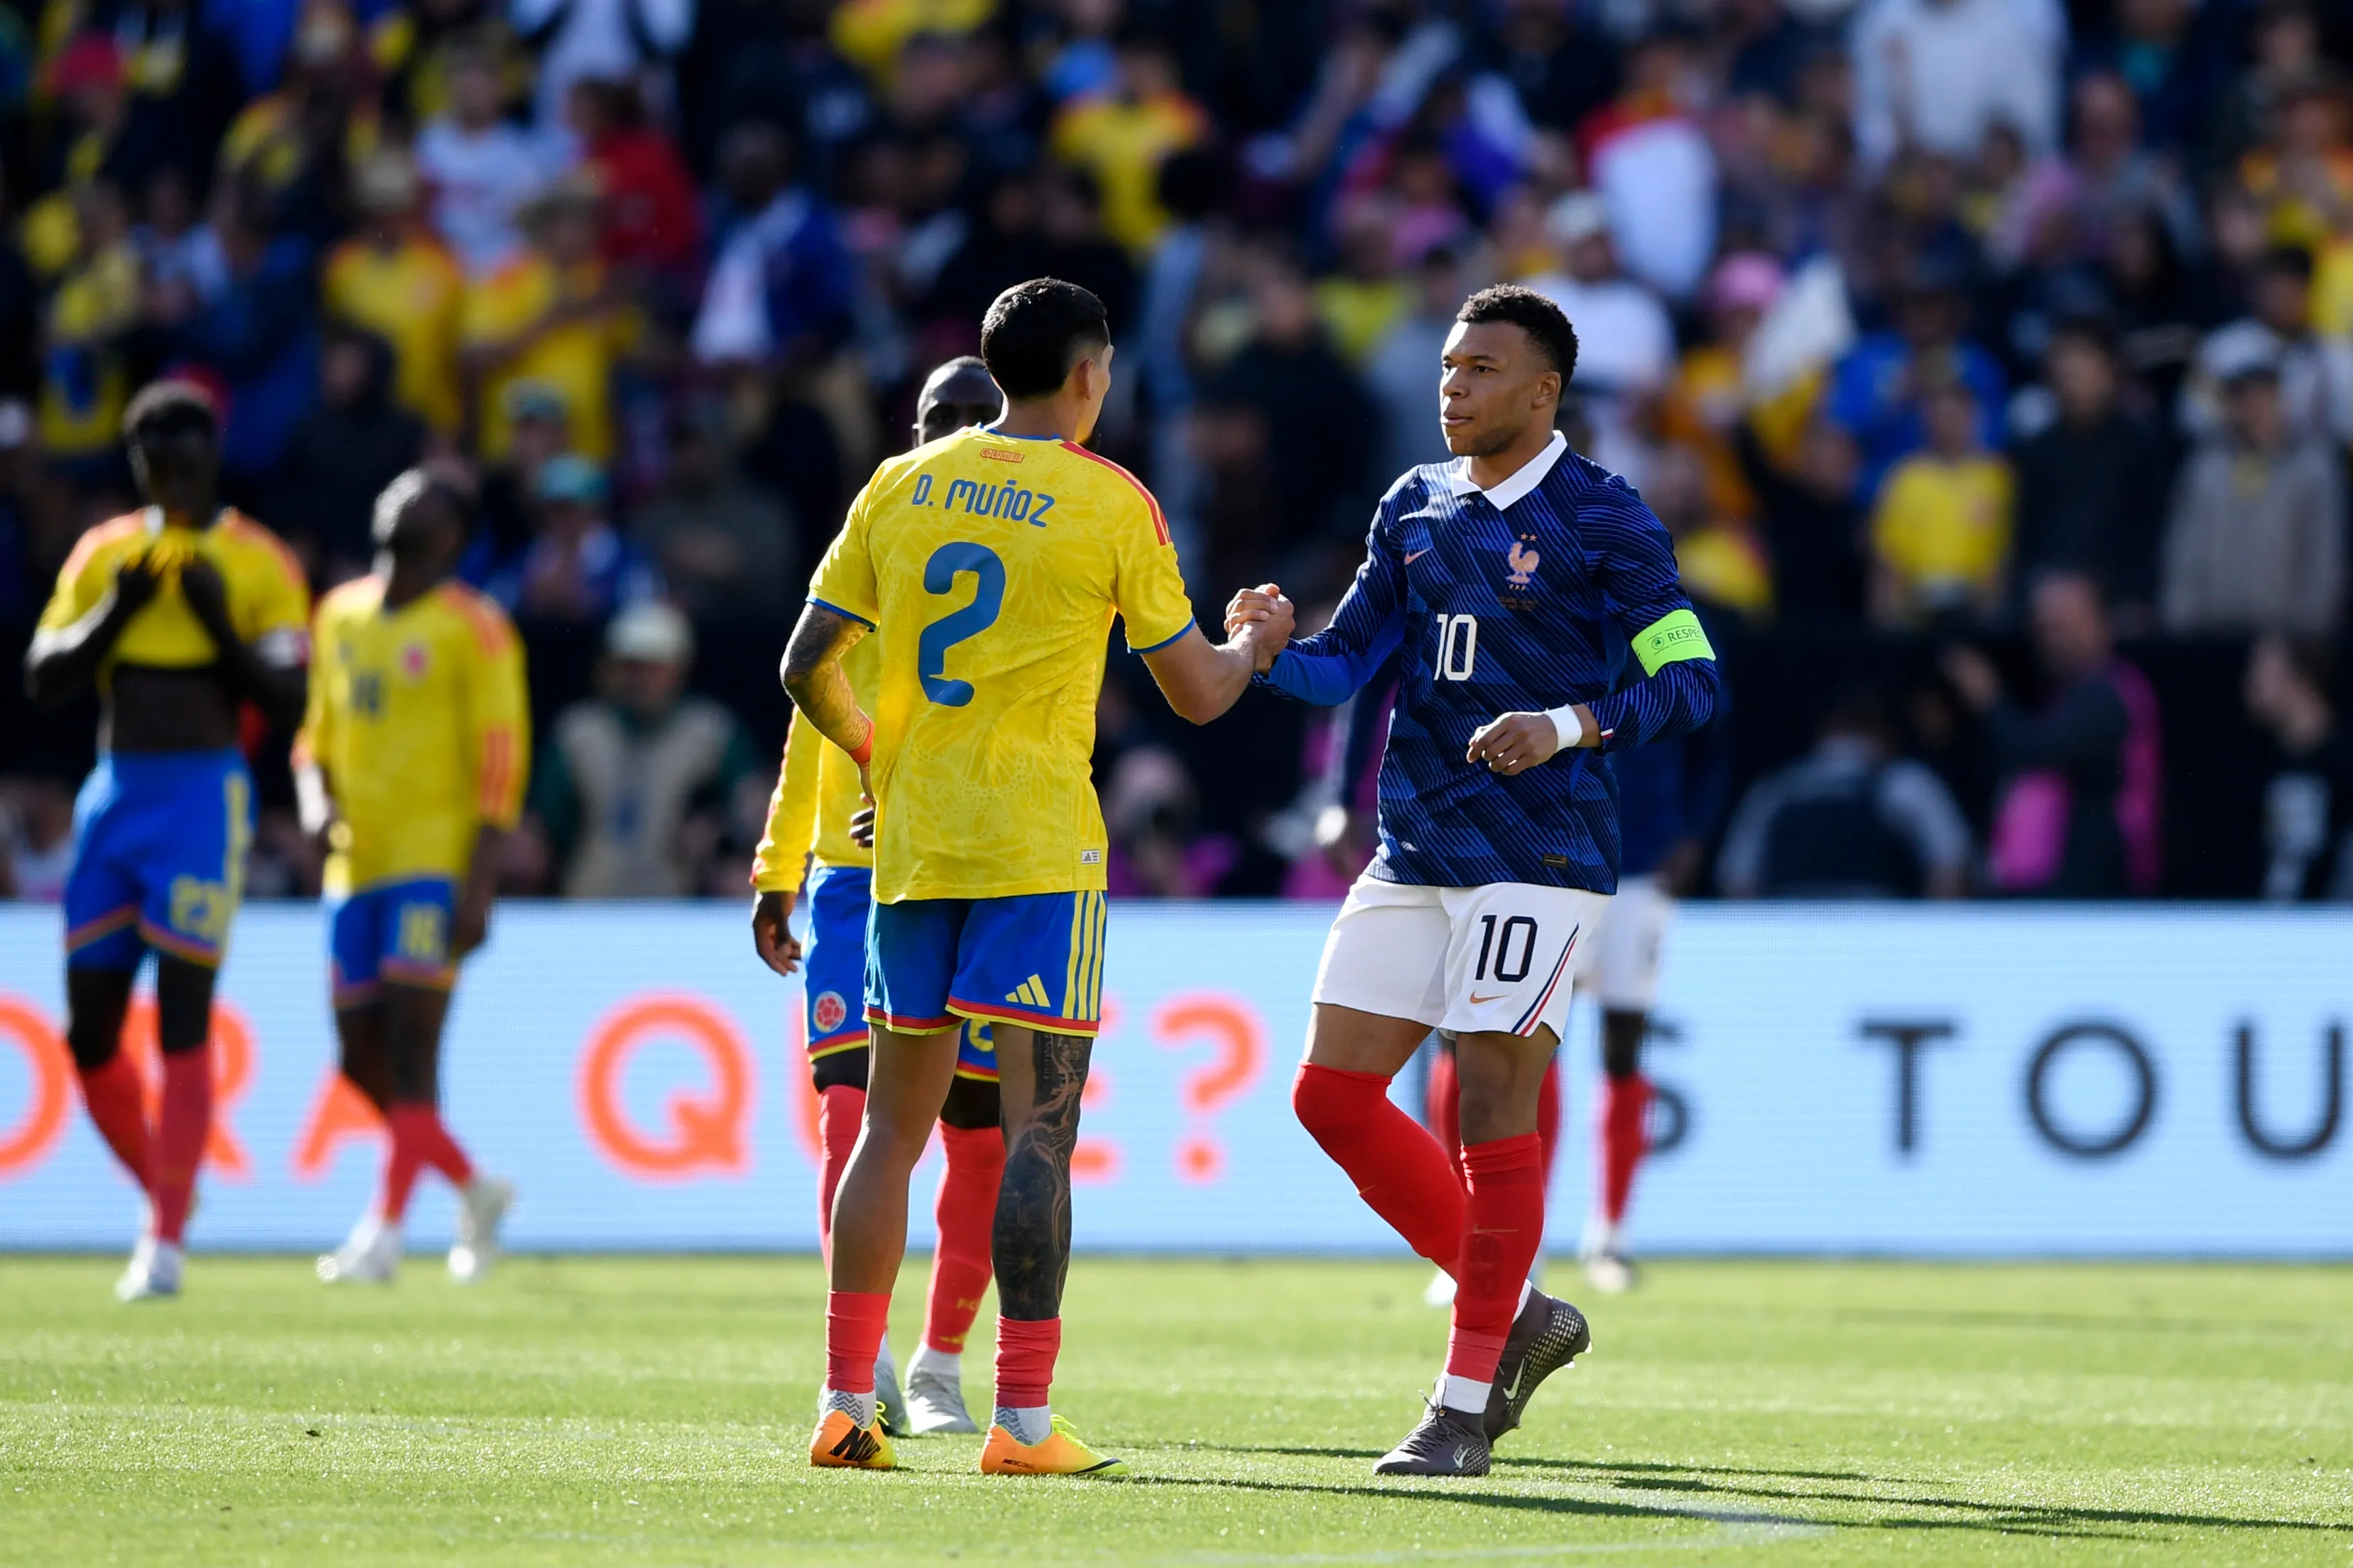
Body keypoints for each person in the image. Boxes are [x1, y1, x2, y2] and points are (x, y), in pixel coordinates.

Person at [783, 277, 1290, 1475]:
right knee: (1034, 1135)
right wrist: (1257, 638)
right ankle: (1017, 1420)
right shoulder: (1110, 501)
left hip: (909, 853)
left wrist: (875, 755)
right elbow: (1201, 694)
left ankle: (844, 1402)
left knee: (887, 1136)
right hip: (1033, 856)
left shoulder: (899, 482)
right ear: (1085, 374)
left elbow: (807, 663)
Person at [1234, 284, 1722, 1476]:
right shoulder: (1412, 505)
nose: (1452, 385)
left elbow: (1691, 678)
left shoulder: (1604, 519)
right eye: (1449, 365)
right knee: (1328, 1097)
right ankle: (1522, 1313)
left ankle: (1458, 1411)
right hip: (1413, 847)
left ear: (1544, 390)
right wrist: (1262, 650)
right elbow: (1348, 663)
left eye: (1481, 368)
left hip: (1541, 853)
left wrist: (1560, 724)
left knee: (1494, 1103)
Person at [749, 356, 1006, 1437]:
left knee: (979, 1139)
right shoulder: (868, 532)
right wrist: (776, 867)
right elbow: (808, 718)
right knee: (849, 1117)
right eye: (928, 419)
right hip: (849, 880)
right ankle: (872, 1359)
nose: (942, 435)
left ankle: (947, 1361)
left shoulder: (1025, 553)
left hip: (972, 869)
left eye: (967, 419)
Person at [24, 381, 310, 1300]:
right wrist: (116, 611)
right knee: (89, 1031)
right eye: (159, 471)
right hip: (116, 798)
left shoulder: (257, 561)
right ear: (139, 471)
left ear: (213, 460)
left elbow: (290, 702)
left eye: (189, 466)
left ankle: (166, 1237)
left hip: (201, 798)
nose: (176, 486)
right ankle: (167, 1191)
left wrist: (218, 621)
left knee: (184, 1012)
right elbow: (43, 679)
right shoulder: (108, 554)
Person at [299, 471, 524, 1284]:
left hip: (434, 860)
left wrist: (479, 881)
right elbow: (312, 739)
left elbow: (501, 757)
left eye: (424, 498)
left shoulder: (476, 628)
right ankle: (473, 1185)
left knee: (412, 1044)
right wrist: (314, 800)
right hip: (352, 862)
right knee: (359, 1056)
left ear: (448, 537)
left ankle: (384, 1236)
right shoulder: (338, 613)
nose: (399, 497)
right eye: (396, 488)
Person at [1945, 572, 2162, 898]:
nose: (2053, 636)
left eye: (2066, 623)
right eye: (2046, 626)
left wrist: (1987, 698)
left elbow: (2036, 751)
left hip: (2092, 888)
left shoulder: (2107, 694)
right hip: (2055, 884)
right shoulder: (2066, 693)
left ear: (2102, 622)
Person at [531, 601, 763, 898]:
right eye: (630, 666)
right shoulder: (579, 734)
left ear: (679, 669)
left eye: (653, 667)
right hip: (588, 905)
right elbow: (544, 827)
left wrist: (719, 834)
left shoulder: (711, 734)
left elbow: (752, 812)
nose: (640, 679)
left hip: (679, 907)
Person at [1715, 687, 1974, 898]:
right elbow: (1951, 868)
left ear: (1821, 732)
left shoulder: (1776, 788)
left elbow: (1737, 881)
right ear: (1885, 733)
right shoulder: (1906, 784)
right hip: (1880, 941)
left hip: (1789, 940)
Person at [2161, 344, 2345, 637]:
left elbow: (2322, 557)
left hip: (2287, 637)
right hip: (2210, 632)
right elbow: (2184, 552)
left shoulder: (2312, 468)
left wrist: (2310, 630)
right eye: (2242, 396)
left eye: (2262, 394)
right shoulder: (2205, 467)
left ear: (2280, 397)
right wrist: (2180, 623)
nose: (2253, 406)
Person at [2244, 636, 2353, 902]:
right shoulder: (2263, 760)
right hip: (2274, 922)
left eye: (2260, 673)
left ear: (2297, 678)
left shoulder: (2342, 762)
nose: (2249, 685)